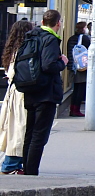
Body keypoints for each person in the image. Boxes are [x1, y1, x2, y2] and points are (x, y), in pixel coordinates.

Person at [22, 9, 68, 176]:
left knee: (30, 133)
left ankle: (27, 169)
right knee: (39, 135)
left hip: (30, 89)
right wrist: (63, 62)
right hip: (46, 92)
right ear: (58, 23)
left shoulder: (31, 36)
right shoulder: (50, 39)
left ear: (42, 22)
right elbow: (48, 65)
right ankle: (31, 172)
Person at [0, 19, 33, 174]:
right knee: (19, 129)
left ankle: (13, 164)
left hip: (13, 92)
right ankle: (10, 164)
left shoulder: (11, 49)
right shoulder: (23, 50)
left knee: (14, 129)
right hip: (20, 94)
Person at [65, 22, 90, 117]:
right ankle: (76, 110)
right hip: (81, 67)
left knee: (75, 89)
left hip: (73, 66)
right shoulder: (85, 39)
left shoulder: (71, 38)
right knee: (80, 89)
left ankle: (73, 109)